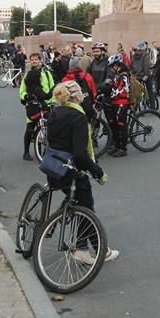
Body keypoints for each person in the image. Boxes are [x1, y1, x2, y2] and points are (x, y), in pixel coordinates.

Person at [46, 80, 119, 263]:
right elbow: (80, 154)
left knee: (81, 203)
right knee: (87, 209)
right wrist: (98, 172)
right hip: (71, 170)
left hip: (53, 166)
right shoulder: (78, 117)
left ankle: (86, 246)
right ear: (78, 96)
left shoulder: (54, 112)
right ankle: (91, 250)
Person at [19, 54, 55, 160]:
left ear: (40, 60)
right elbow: (22, 89)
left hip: (46, 104)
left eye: (36, 59)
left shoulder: (47, 74)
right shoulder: (28, 74)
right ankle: (26, 152)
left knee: (46, 128)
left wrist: (52, 102)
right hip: (32, 105)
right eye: (32, 60)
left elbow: (51, 87)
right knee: (30, 128)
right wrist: (26, 96)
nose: (34, 61)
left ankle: (41, 150)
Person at [101, 54, 130, 157]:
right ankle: (117, 146)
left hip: (122, 102)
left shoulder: (124, 75)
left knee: (122, 124)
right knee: (114, 125)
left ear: (116, 65)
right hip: (115, 103)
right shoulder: (117, 75)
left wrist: (111, 87)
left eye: (112, 66)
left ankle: (123, 148)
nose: (111, 69)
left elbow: (118, 91)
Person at [62, 56, 97, 123]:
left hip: (72, 107)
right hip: (87, 105)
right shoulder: (87, 76)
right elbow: (93, 91)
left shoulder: (65, 79)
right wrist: (94, 102)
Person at [130, 41, 155, 108]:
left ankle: (136, 106)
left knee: (137, 91)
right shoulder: (145, 54)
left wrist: (134, 73)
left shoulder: (134, 55)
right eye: (144, 45)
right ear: (142, 46)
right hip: (144, 75)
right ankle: (153, 107)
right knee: (150, 91)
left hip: (137, 75)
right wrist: (146, 74)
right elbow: (146, 65)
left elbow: (132, 65)